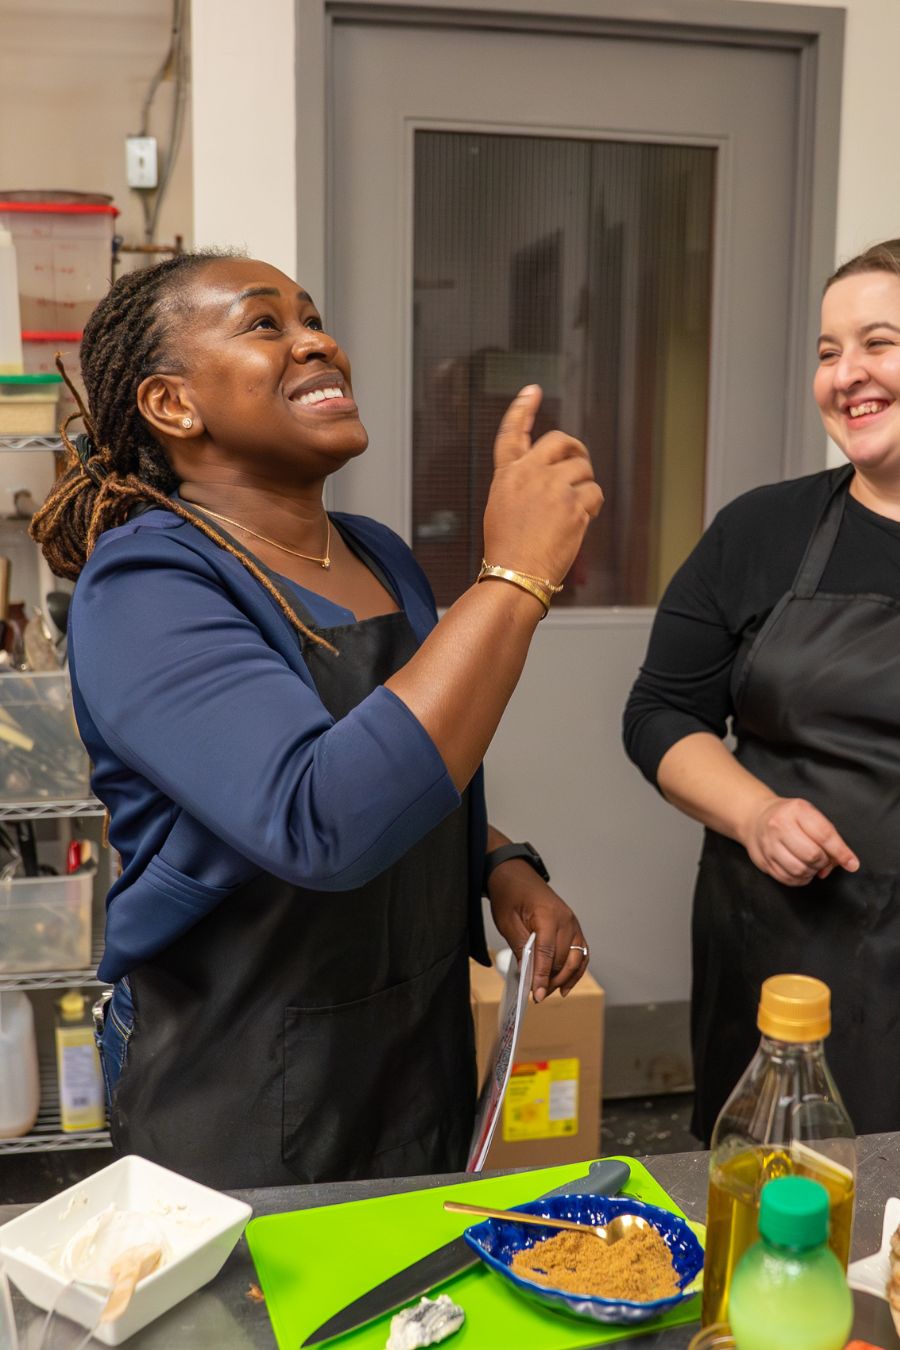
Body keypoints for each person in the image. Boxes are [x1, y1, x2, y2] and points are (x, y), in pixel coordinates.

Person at [31, 251, 603, 1188]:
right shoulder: (146, 585)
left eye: (313, 318)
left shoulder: (379, 554)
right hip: (239, 1078)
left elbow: (408, 768)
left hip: (411, 1052)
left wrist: (496, 863)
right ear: (172, 404)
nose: (317, 342)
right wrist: (513, 579)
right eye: (266, 324)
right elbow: (318, 815)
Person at [623, 237, 900, 1143]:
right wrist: (756, 813)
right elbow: (660, 714)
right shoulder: (763, 531)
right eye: (829, 352)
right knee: (779, 1193)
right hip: (791, 953)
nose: (846, 375)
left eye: (879, 343)